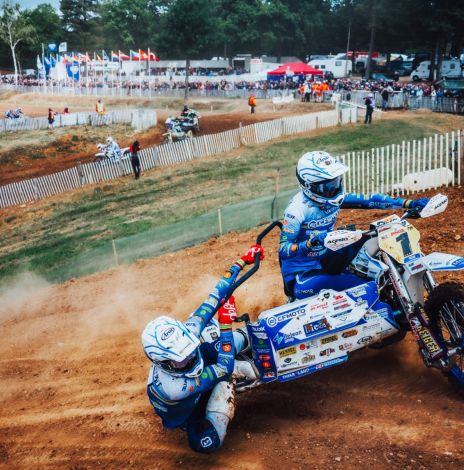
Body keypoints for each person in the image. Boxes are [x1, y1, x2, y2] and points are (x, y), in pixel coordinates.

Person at [141, 245, 264, 453]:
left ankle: (248, 338)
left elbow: (215, 296)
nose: (189, 358)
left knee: (217, 335)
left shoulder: (189, 331)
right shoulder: (174, 389)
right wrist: (225, 323)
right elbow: (223, 368)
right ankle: (237, 371)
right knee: (207, 442)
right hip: (191, 410)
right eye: (180, 359)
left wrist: (242, 261)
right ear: (163, 363)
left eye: (188, 349)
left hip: (203, 376)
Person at [278, 151, 429, 300]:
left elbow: (368, 200)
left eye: (335, 182)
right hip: (302, 274)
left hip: (327, 259)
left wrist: (408, 203)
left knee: (373, 255)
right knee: (365, 287)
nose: (333, 190)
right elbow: (284, 249)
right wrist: (310, 243)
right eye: (326, 187)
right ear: (308, 186)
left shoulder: (333, 198)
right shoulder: (297, 210)